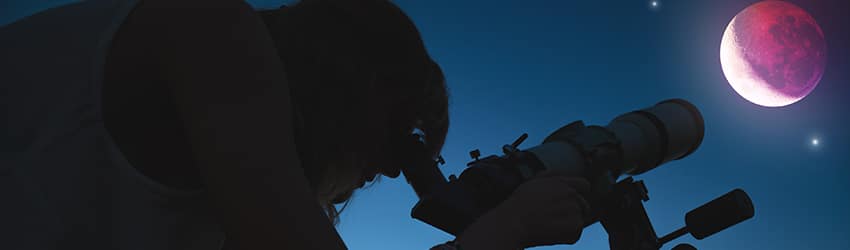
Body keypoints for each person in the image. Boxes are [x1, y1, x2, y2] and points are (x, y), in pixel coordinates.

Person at [0, 0, 590, 249]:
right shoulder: (210, 29)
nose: (382, 171)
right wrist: (502, 232)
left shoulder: (216, 213)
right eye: (395, 146)